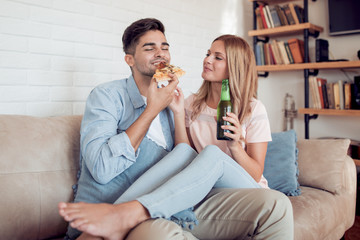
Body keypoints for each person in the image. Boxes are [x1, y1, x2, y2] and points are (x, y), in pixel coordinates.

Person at [59, 18, 294, 240]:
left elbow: (254, 172)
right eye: (150, 48)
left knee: (211, 155)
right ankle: (122, 216)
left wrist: (235, 146)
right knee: (187, 154)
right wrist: (175, 112)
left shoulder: (253, 108)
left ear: (234, 67)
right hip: (201, 189)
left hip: (244, 187)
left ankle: (122, 213)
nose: (208, 60)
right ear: (129, 59)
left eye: (217, 57)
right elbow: (184, 155)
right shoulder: (184, 102)